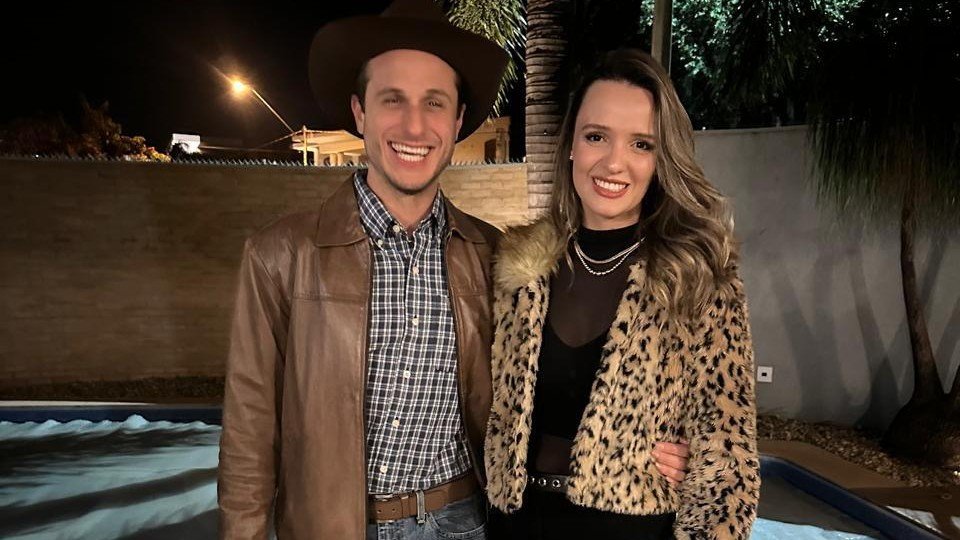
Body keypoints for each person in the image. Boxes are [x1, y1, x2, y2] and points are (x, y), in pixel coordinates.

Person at [218, 0, 692, 536]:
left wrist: (669, 445)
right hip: (333, 527)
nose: (414, 125)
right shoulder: (280, 256)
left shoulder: (498, 257)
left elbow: (557, 381)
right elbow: (248, 434)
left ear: (459, 120)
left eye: (435, 103)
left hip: (464, 523)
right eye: (392, 99)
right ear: (360, 112)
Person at [484, 48, 760, 540]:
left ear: (661, 159)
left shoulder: (696, 279)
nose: (614, 162)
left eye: (641, 144)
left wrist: (696, 465)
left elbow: (728, 461)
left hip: (632, 530)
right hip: (517, 523)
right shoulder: (521, 272)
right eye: (596, 136)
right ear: (571, 144)